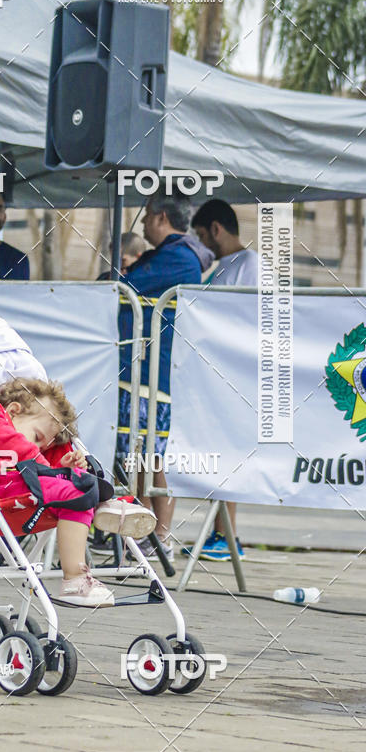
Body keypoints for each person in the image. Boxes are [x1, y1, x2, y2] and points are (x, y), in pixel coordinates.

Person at [0, 378, 116, 606]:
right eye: (37, 438)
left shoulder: (28, 450)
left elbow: (31, 458)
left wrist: (63, 469)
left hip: (20, 492)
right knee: (76, 490)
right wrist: (48, 470)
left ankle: (108, 504)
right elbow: (11, 443)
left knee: (80, 485)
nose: (38, 448)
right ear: (14, 411)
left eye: (43, 448)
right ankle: (75, 579)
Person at [118, 187, 214, 564]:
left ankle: (160, 534)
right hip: (143, 372)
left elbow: (124, 287)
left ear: (161, 217)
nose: (143, 223)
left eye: (145, 217)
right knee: (140, 453)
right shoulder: (171, 255)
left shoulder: (179, 259)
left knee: (156, 456)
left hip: (156, 374)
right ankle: (144, 531)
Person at [189, 198, 258, 561]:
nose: (203, 244)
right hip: (218, 373)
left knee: (227, 453)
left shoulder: (249, 265)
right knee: (218, 452)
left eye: (202, 235)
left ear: (216, 228)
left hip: (235, 373)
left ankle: (227, 536)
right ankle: (221, 533)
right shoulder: (227, 266)